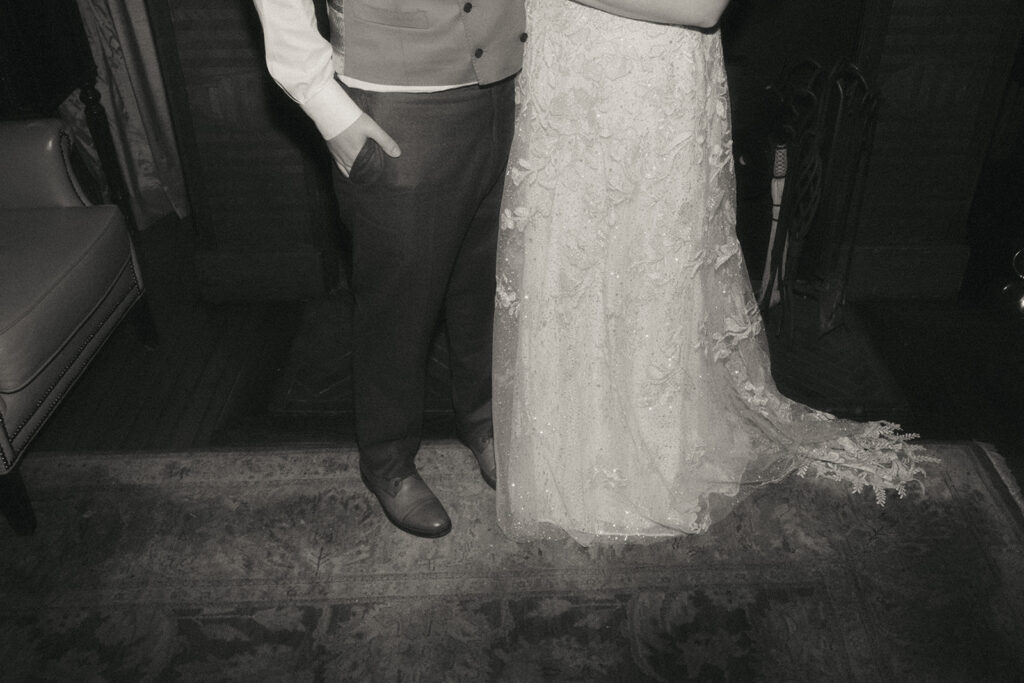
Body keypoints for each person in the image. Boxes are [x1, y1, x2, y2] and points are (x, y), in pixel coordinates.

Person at [493, 0, 935, 545]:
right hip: (566, 71)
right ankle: (564, 449)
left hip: (647, 78)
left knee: (647, 265)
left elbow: (701, 7)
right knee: (570, 257)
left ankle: (643, 454)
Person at [253, 0, 526, 538]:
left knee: (489, 283)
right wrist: (328, 107)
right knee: (398, 307)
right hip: (398, 105)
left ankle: (484, 421)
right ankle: (387, 459)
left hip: (507, 85)